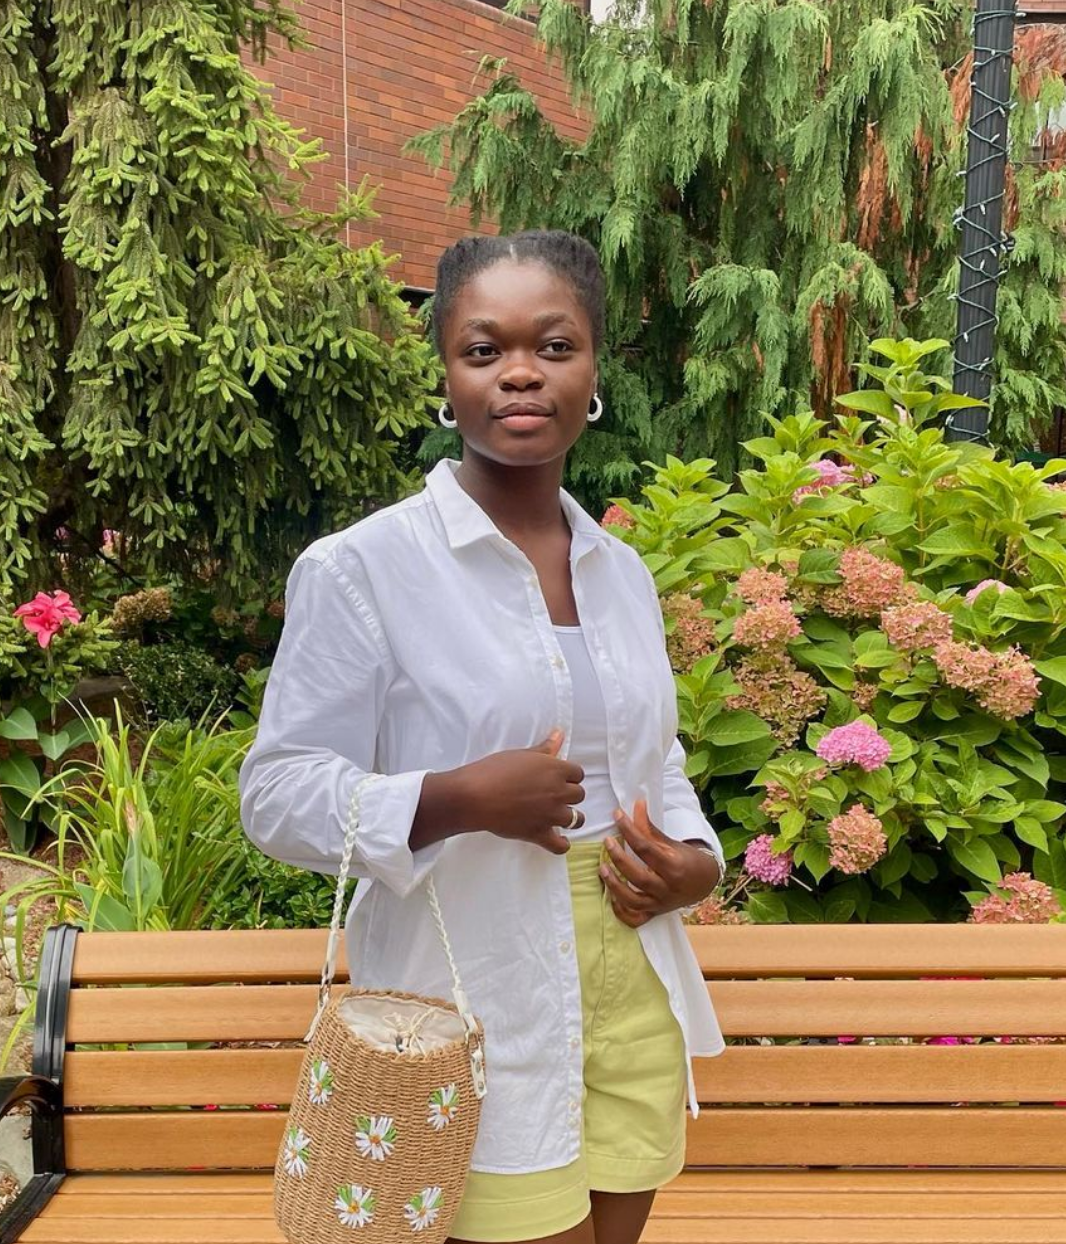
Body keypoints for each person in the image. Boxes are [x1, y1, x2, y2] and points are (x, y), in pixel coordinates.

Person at [239, 229, 727, 1244]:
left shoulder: (620, 572)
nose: (519, 371)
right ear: (447, 376)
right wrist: (452, 797)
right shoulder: (363, 569)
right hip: (479, 975)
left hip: (634, 962)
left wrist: (694, 863)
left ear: (593, 370)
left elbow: (655, 756)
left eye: (553, 346)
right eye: (482, 348)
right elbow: (276, 791)